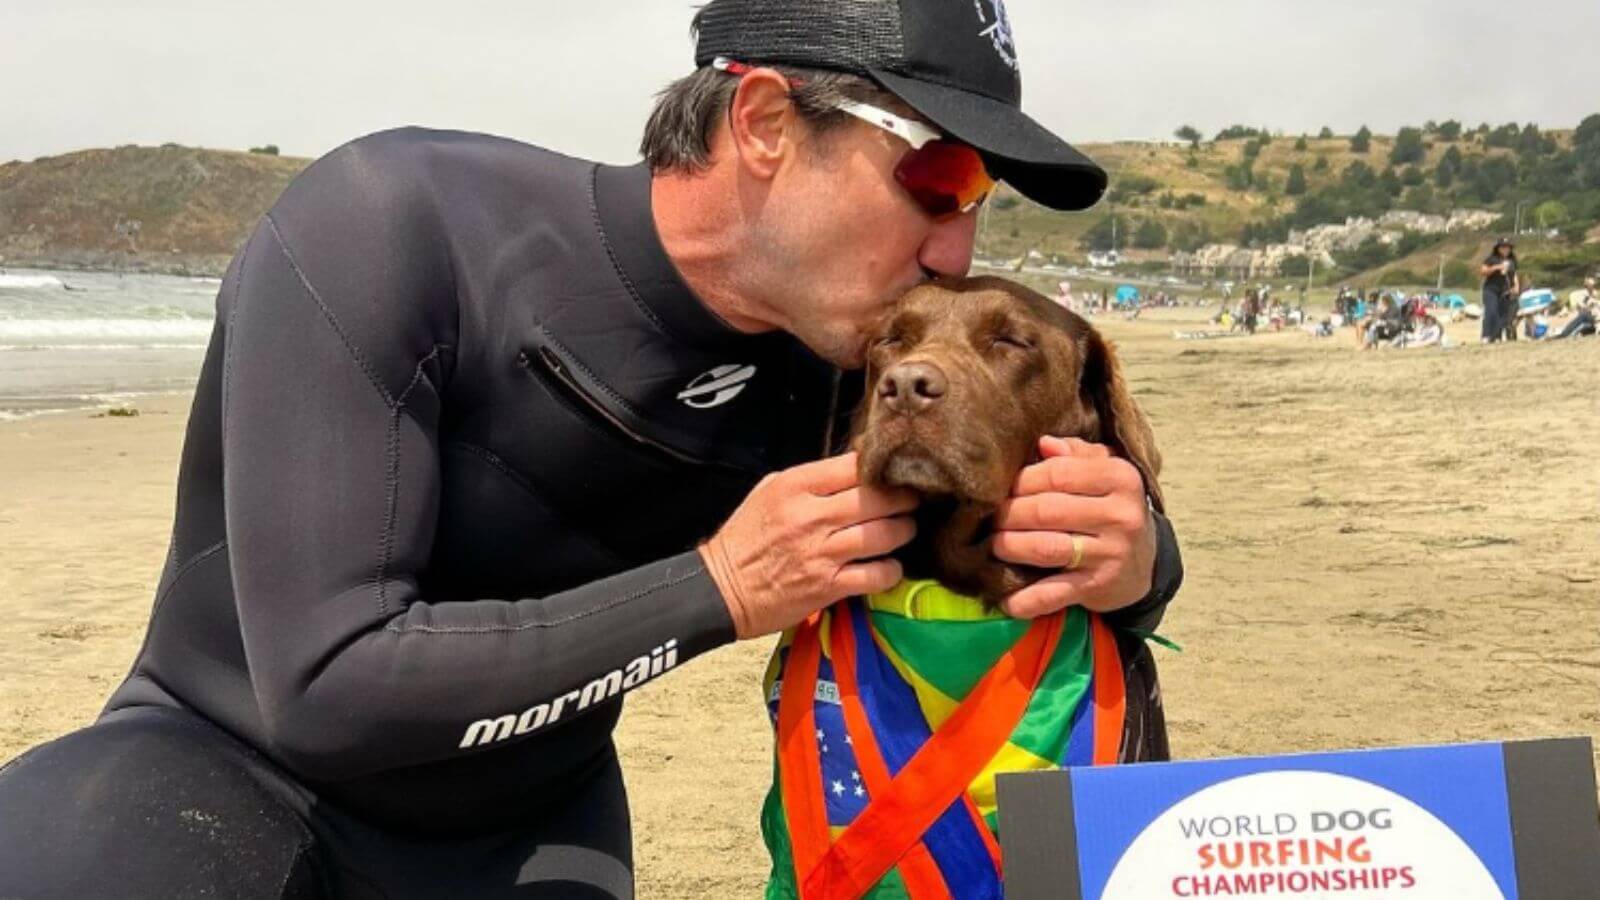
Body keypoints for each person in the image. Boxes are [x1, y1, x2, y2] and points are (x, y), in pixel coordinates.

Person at [0, 2, 1184, 898]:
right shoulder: (393, 226)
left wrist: (1134, 564)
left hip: (528, 825)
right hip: (220, 769)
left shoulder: (843, 363)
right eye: (936, 177)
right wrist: (720, 587)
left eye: (980, 193)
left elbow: (1012, 529)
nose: (954, 244)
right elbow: (322, 692)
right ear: (765, 121)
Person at [1480, 237, 1519, 343]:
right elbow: (1483, 271)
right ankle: (1486, 335)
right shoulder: (1492, 259)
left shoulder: (1512, 260)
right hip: (1491, 289)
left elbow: (1514, 273)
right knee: (1491, 311)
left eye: (1508, 247)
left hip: (1505, 290)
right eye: (1503, 247)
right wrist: (1496, 267)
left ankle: (1496, 336)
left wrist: (1516, 285)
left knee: (1502, 315)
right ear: (1498, 248)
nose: (1506, 250)